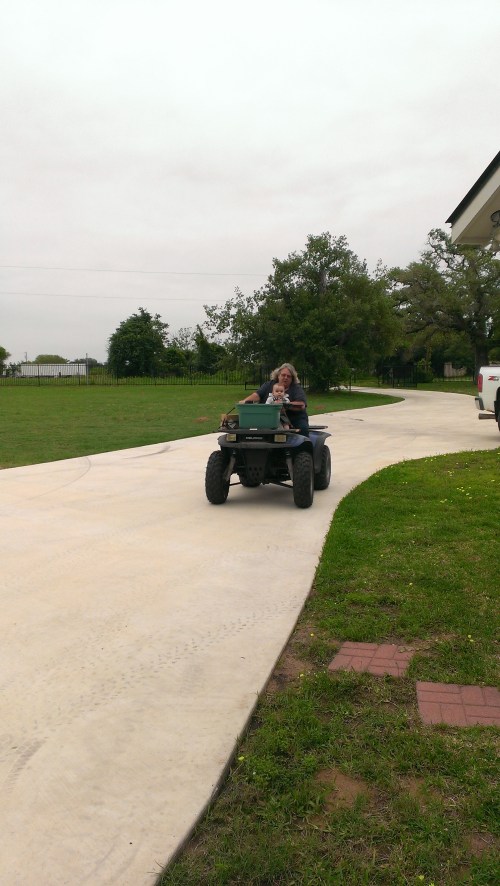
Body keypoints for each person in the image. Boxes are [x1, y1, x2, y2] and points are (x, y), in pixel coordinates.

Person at [240, 363, 309, 435]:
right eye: (283, 375)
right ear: (278, 375)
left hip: (294, 418)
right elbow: (257, 395)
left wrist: (284, 405)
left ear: (292, 378)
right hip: (270, 417)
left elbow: (301, 405)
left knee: (303, 429)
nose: (286, 377)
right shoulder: (269, 385)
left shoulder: (296, 388)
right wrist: (244, 401)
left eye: (289, 376)